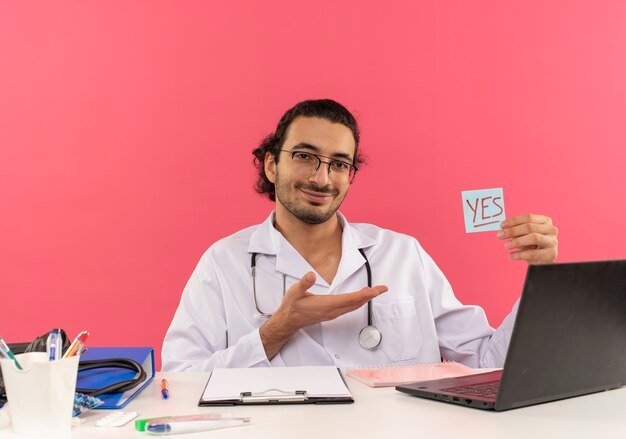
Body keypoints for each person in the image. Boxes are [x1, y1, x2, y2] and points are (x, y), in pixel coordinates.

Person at [161, 99, 558, 371]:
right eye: (304, 157)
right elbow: (180, 379)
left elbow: (488, 361)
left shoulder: (403, 255)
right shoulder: (222, 264)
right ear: (270, 165)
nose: (322, 177)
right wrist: (275, 331)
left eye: (339, 163)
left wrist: (541, 279)